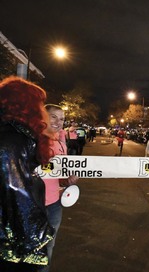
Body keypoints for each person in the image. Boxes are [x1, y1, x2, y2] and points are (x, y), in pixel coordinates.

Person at [0, 77, 54, 271]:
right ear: (27, 107)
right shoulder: (13, 142)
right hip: (13, 252)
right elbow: (18, 195)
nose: (44, 111)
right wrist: (37, 242)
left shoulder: (17, 139)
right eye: (40, 104)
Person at [40, 105, 79, 272]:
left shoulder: (60, 141)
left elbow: (59, 174)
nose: (58, 121)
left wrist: (67, 180)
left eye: (62, 118)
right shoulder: (33, 139)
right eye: (53, 117)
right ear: (43, 117)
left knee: (49, 246)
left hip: (55, 203)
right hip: (34, 203)